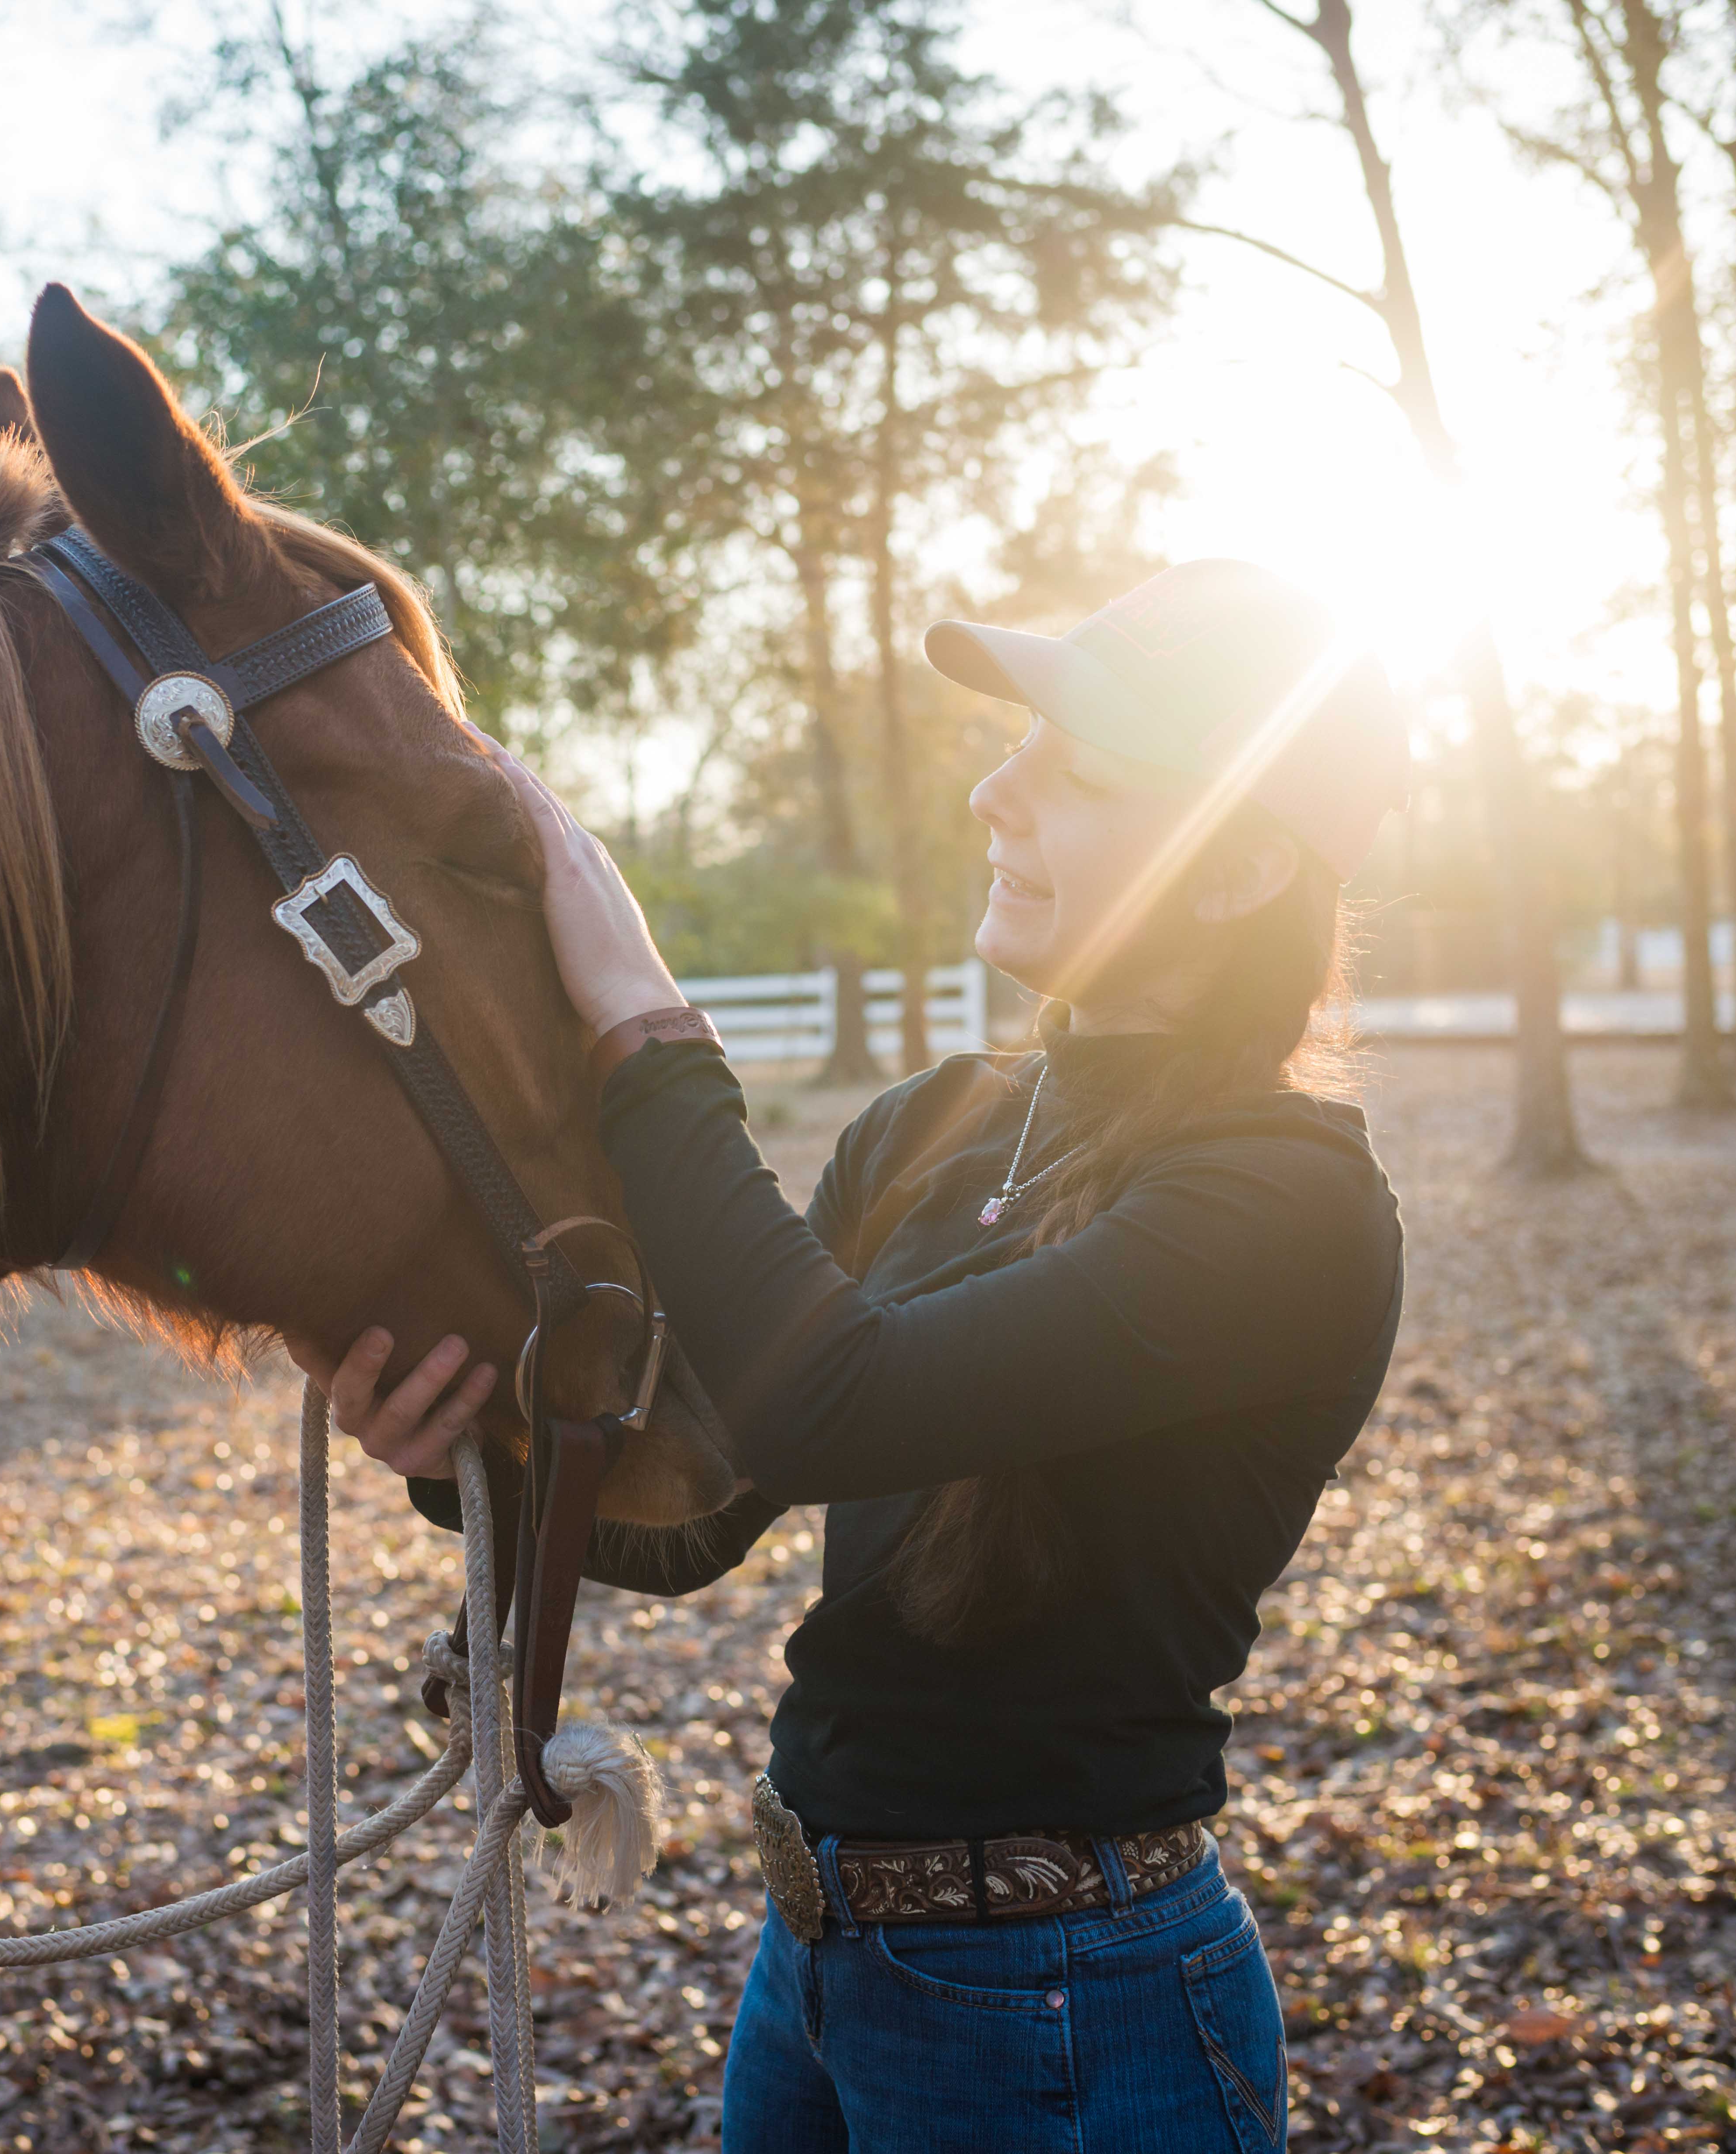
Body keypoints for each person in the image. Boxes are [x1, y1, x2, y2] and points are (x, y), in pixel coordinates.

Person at [292, 558, 1410, 2153]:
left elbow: (834, 1404)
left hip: (1072, 2005)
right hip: (817, 1969)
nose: (993, 791)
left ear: (1236, 876)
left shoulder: (1286, 1202)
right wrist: (466, 1456)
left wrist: (654, 1045)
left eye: (1075, 771)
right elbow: (711, 1499)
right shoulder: (929, 1126)